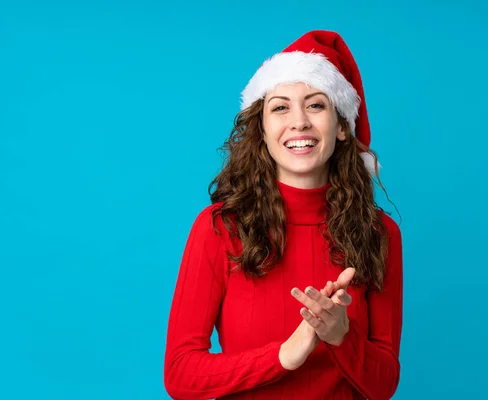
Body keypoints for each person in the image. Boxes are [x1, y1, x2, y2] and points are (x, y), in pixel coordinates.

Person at [163, 30, 403, 400]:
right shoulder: (219, 228)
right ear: (262, 127)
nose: (299, 122)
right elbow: (180, 374)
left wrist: (341, 336)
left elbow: (384, 384)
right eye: (280, 107)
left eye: (316, 105)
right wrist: (283, 356)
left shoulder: (379, 233)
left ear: (341, 127)